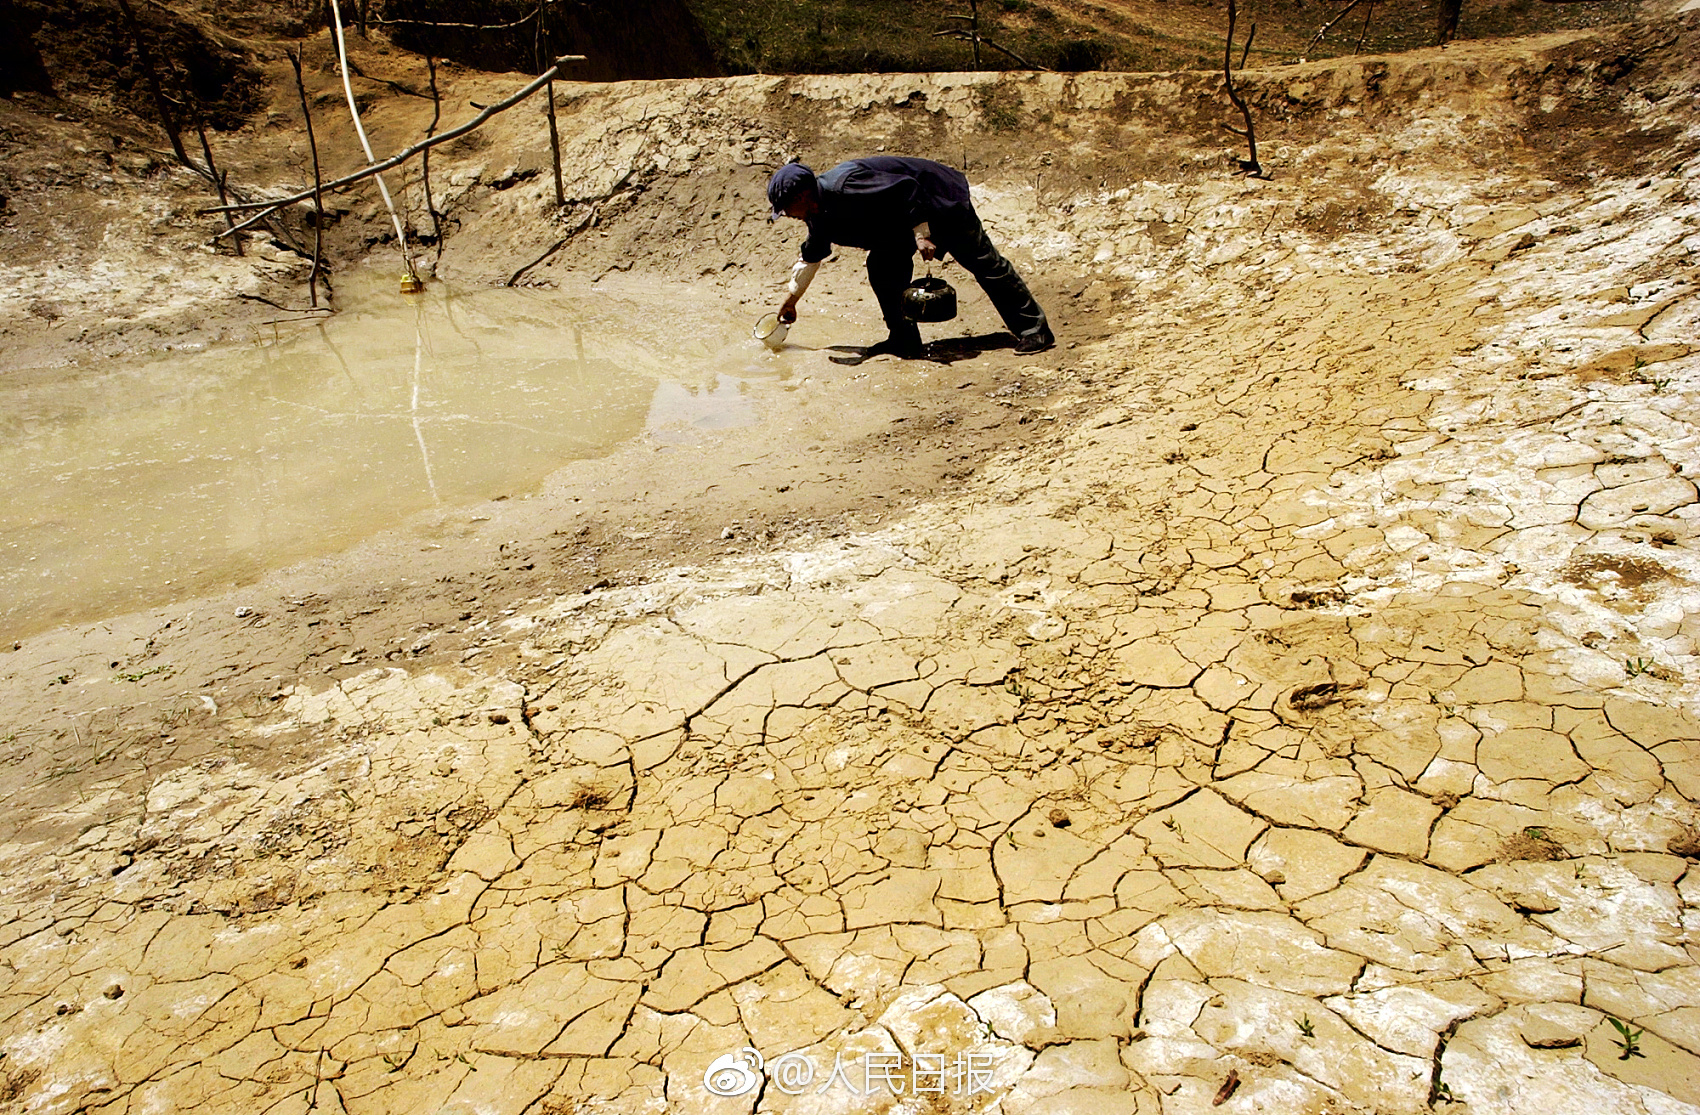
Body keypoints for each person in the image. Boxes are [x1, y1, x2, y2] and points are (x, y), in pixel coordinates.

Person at [768, 157, 1055, 358]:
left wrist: (921, 234)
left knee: (984, 263)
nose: (788, 215)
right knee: (882, 268)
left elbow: (907, 189)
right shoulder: (818, 214)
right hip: (899, 223)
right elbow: (812, 257)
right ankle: (904, 338)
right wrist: (790, 302)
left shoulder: (846, 186)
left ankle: (1034, 330)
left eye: (786, 207)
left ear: (803, 195)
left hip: (938, 203)